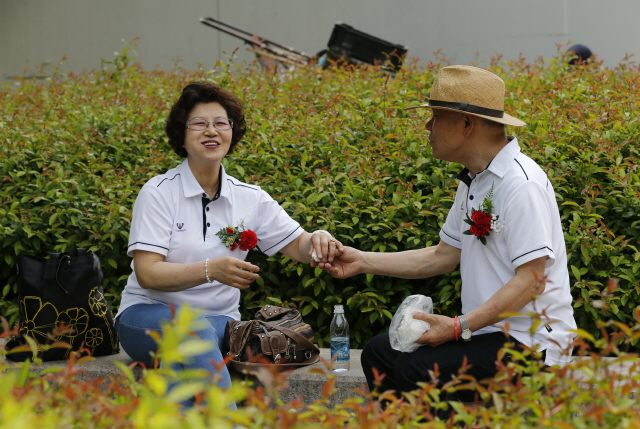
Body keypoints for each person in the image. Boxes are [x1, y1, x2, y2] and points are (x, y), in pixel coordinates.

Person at [316, 65, 577, 402]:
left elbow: (532, 280)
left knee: (419, 368)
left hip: (533, 342)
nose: (427, 126)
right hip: (489, 334)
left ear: (467, 124)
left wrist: (459, 326)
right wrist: (361, 261)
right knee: (379, 352)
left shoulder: (520, 183)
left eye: (436, 116)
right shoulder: (475, 179)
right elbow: (443, 256)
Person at [116, 81, 343, 407]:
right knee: (192, 332)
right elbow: (148, 273)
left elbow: (299, 246)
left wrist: (319, 239)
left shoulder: (249, 197)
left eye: (221, 123)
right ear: (182, 133)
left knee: (196, 338)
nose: (212, 131)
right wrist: (211, 270)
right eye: (199, 123)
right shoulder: (159, 192)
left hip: (218, 323)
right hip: (148, 318)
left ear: (232, 133)